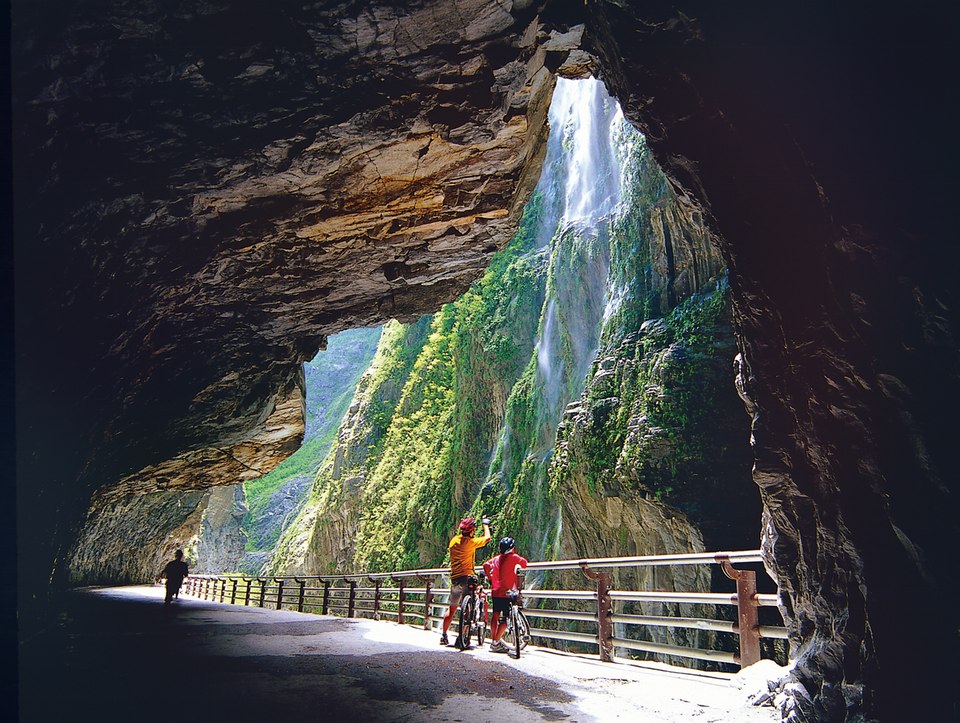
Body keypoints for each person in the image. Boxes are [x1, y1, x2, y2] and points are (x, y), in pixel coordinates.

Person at [440, 515, 491, 645]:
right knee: (467, 609)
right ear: (472, 531)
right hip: (467, 578)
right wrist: (485, 524)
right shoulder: (470, 543)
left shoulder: (454, 541)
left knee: (452, 609)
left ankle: (444, 635)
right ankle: (462, 637)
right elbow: (487, 538)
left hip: (455, 578)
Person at [482, 537, 528, 653]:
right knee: (505, 619)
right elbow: (525, 563)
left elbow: (486, 565)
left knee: (496, 615)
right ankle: (496, 642)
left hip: (495, 590)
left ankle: (494, 640)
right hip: (507, 592)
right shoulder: (514, 558)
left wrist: (490, 577)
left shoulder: (497, 558)